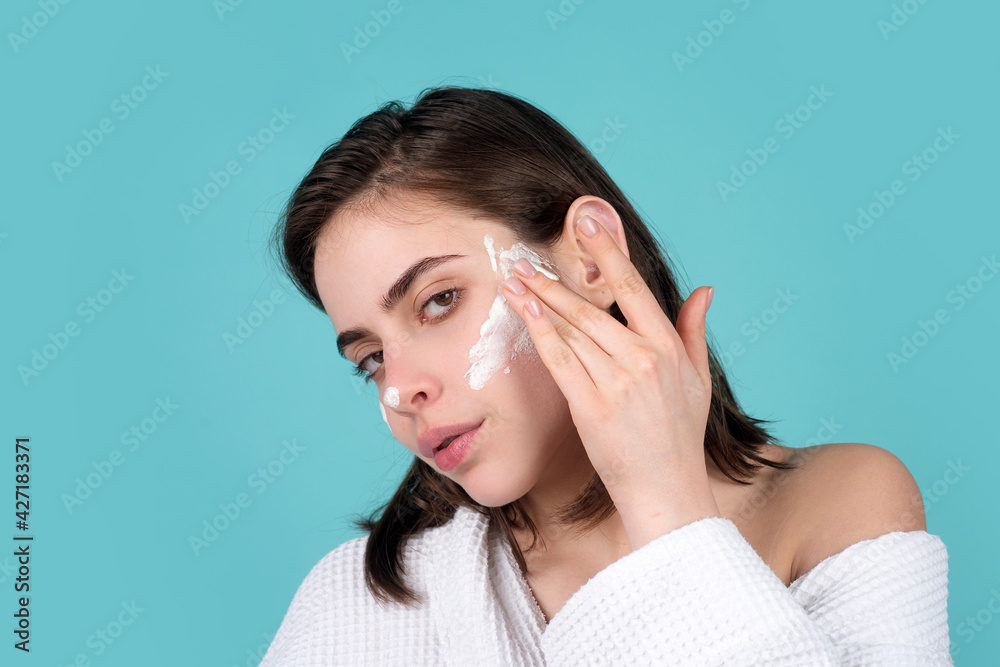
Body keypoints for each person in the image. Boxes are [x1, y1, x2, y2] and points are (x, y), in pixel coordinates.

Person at [259, 86, 952, 665]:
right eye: (370, 357)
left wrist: (666, 505)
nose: (399, 388)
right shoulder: (359, 605)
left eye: (439, 300)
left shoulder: (841, 503)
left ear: (590, 259)